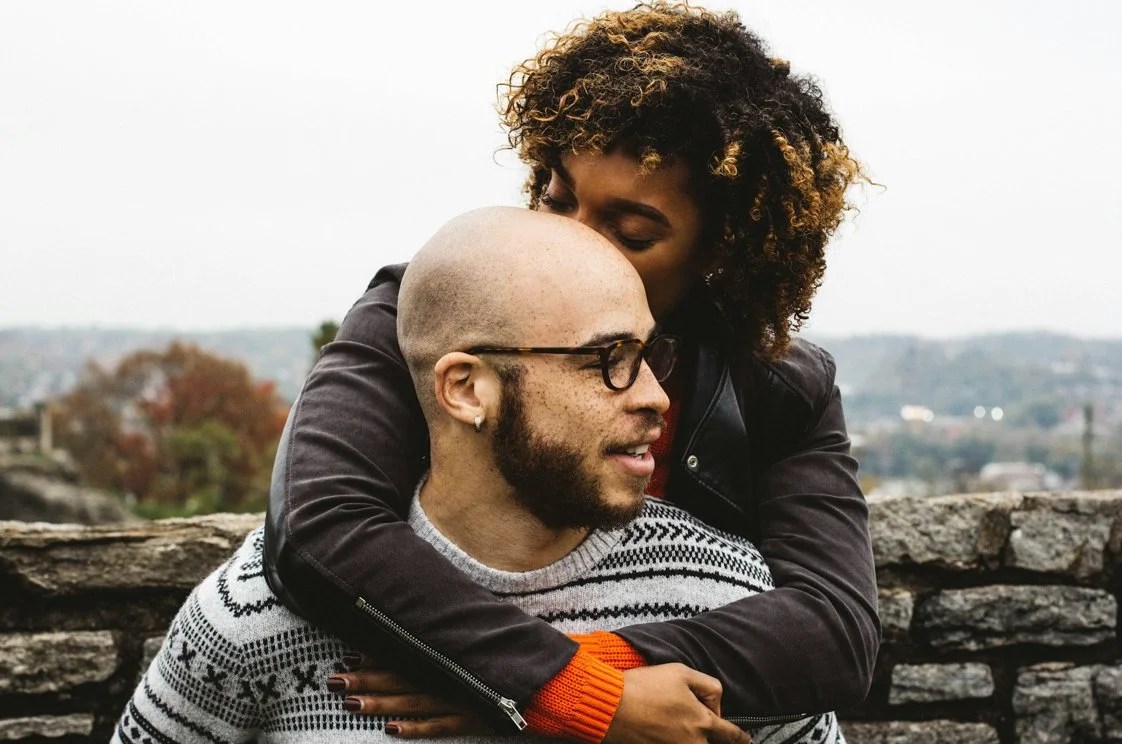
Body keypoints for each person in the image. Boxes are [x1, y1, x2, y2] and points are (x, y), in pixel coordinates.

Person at [265, 2, 879, 741]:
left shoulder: (781, 388)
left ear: (723, 253)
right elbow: (318, 527)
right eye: (557, 199)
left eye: (631, 232)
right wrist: (560, 687)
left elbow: (836, 630)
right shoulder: (428, 311)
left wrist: (580, 677)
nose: (573, 242)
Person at [113, 206, 844, 743]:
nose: (654, 395)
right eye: (608, 359)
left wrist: (550, 690)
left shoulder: (724, 598)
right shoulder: (256, 617)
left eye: (651, 355)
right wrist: (572, 696)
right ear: (466, 389)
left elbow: (837, 631)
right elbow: (321, 524)